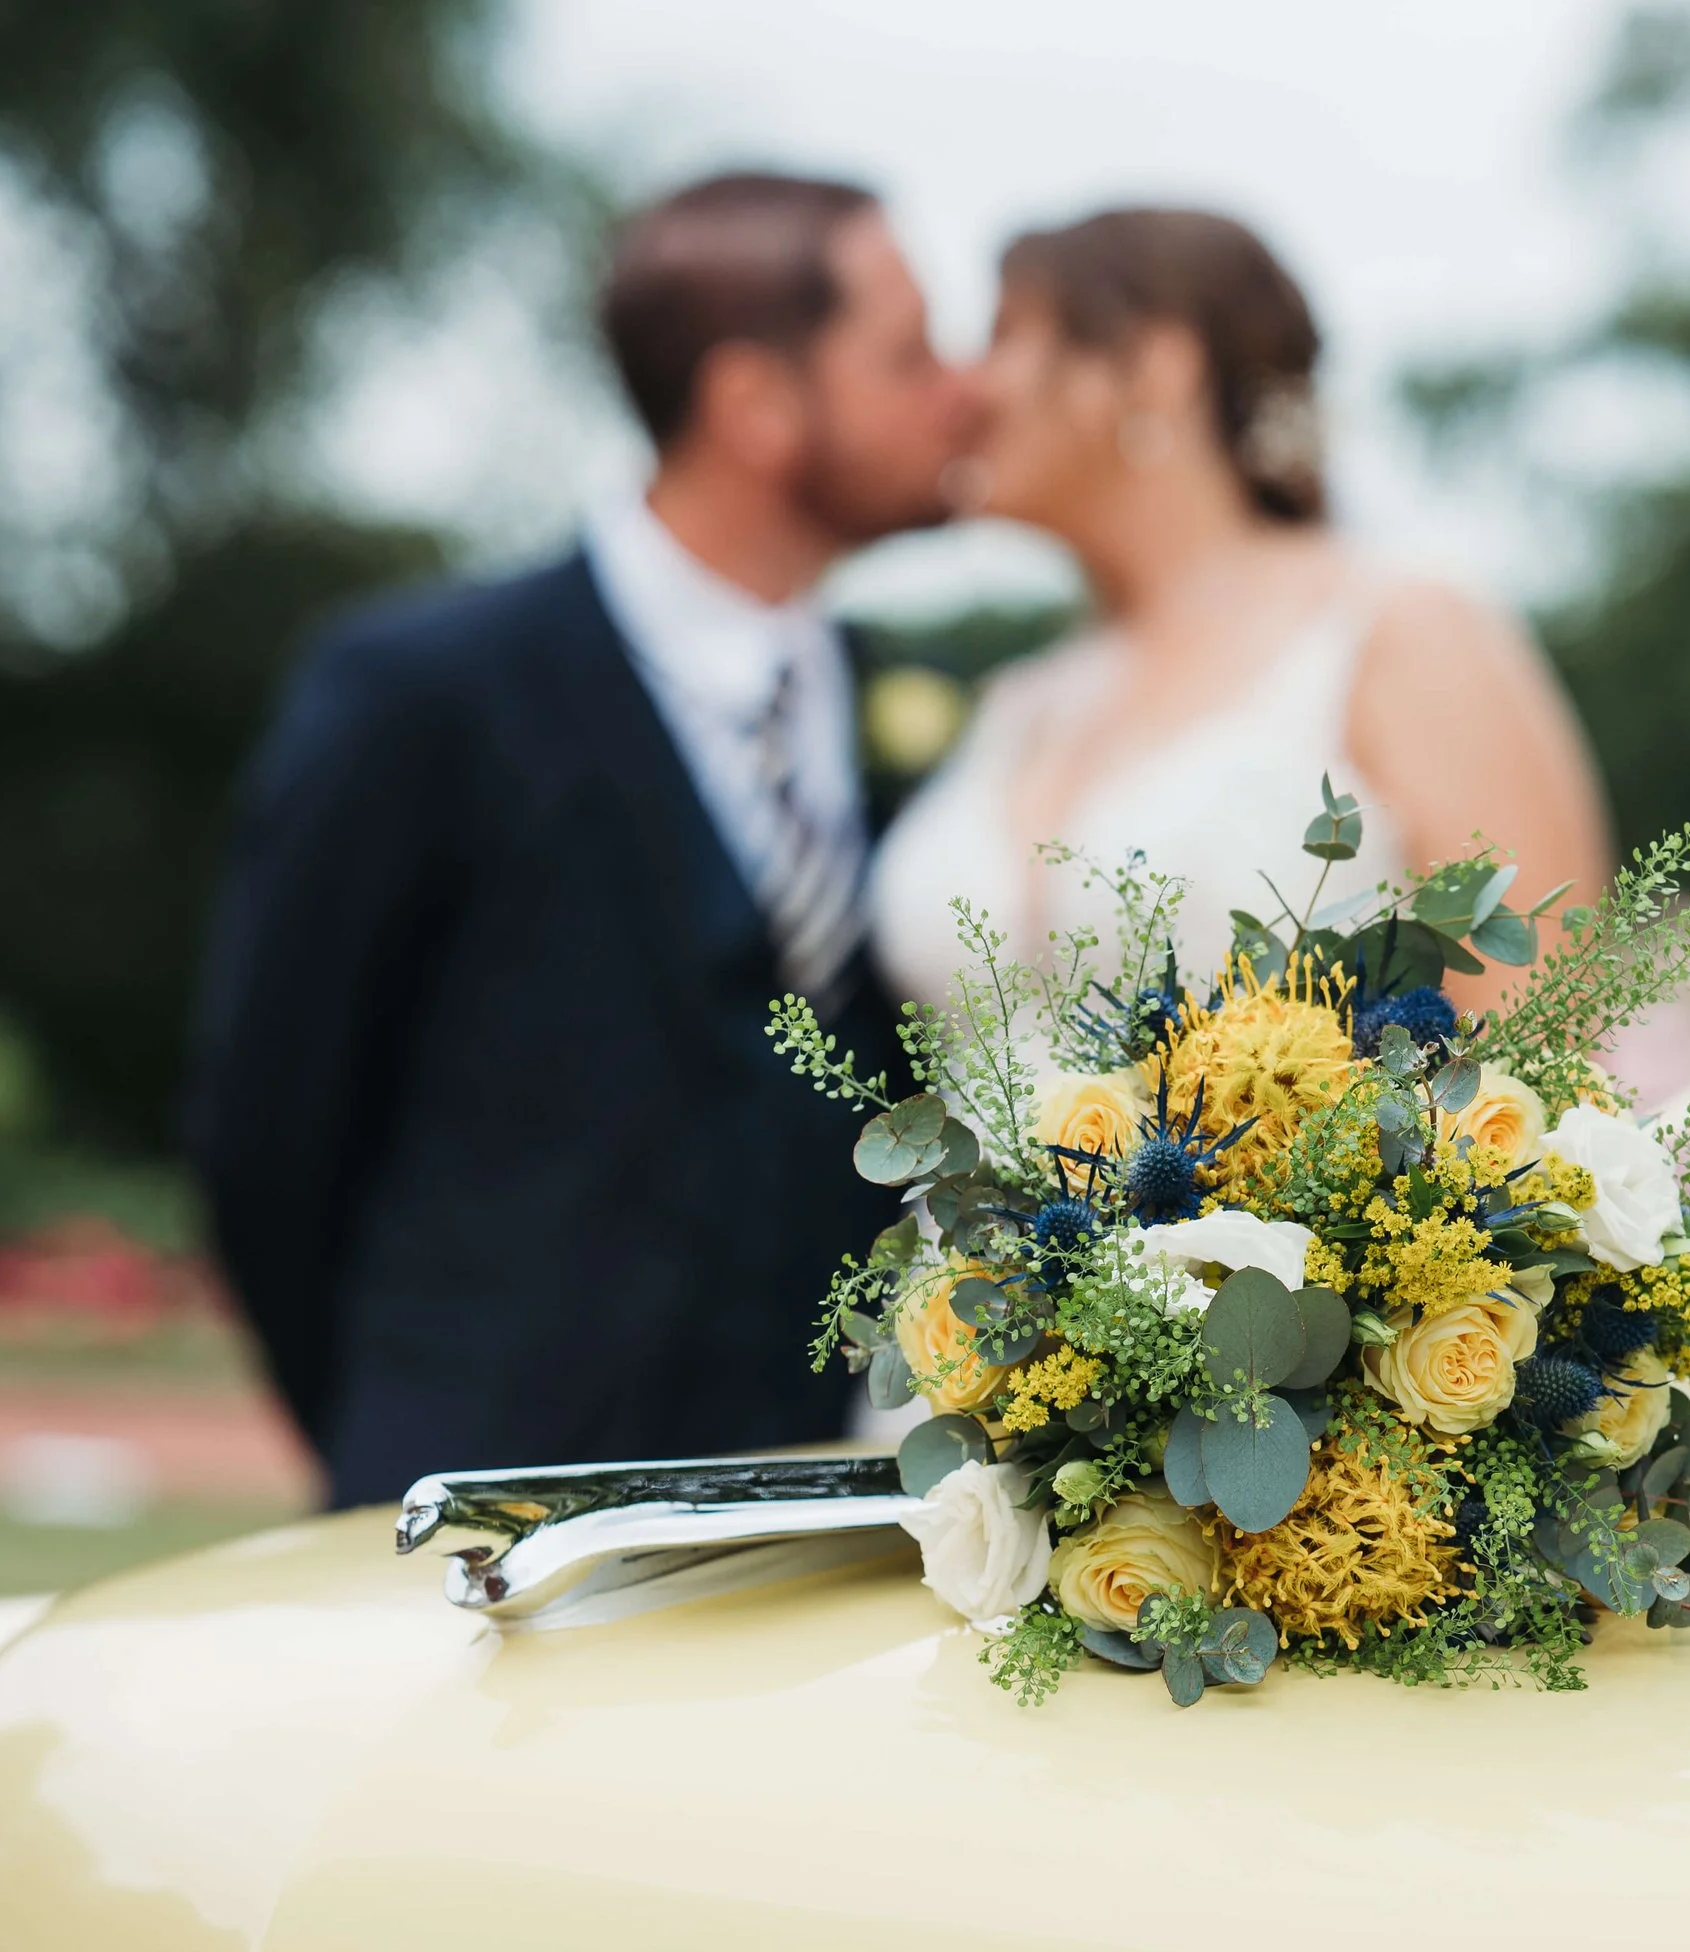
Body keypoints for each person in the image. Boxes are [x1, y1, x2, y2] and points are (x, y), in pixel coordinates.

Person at [190, 171, 970, 1508]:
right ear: (756, 404)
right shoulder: (421, 696)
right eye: (908, 355)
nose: (962, 393)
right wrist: (399, 1439)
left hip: (823, 1515)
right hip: (481, 1517)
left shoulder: (900, 698)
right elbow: (267, 1125)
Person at [871, 206, 1610, 1011]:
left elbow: (1542, 1031)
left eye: (1004, 336)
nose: (962, 386)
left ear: (1154, 366)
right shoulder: (1020, 706)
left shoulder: (1397, 635)